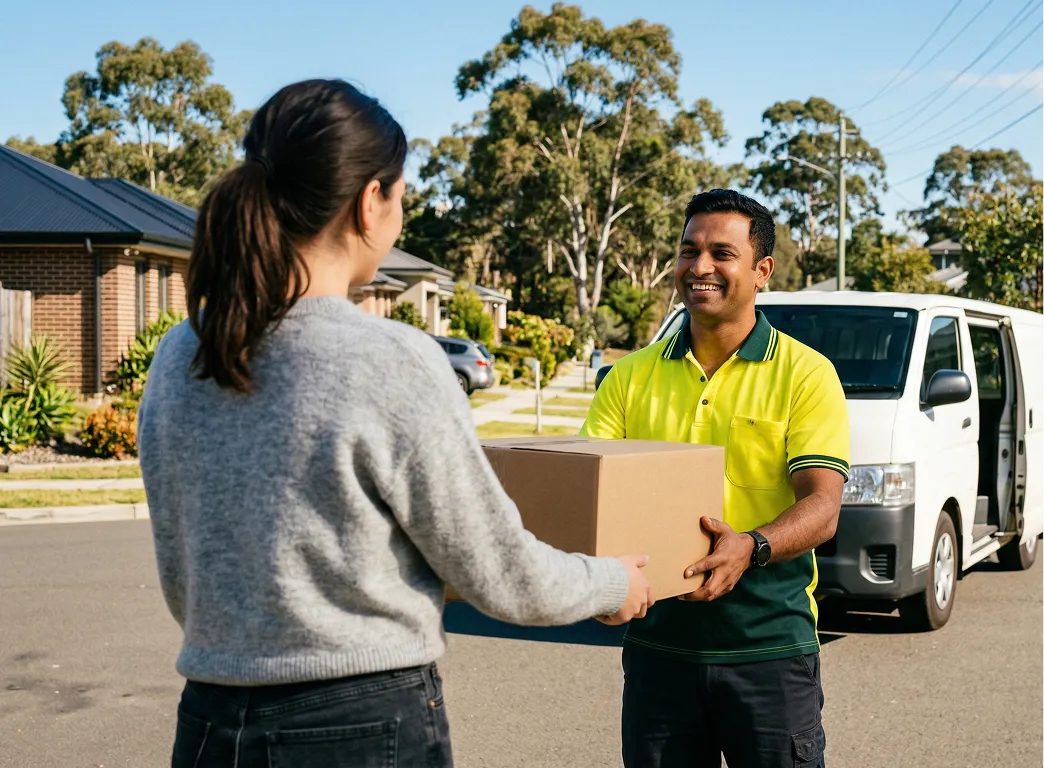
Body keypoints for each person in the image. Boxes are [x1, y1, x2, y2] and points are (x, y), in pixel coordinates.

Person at [137, 78, 653, 768]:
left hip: (208, 719)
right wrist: (612, 583)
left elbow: (182, 568)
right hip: (356, 724)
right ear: (368, 202)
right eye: (402, 196)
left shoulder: (180, 353)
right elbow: (497, 571)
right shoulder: (389, 358)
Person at [581, 189, 850, 768]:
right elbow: (592, 496)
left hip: (769, 649)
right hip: (659, 650)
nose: (699, 267)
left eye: (722, 254)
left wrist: (750, 548)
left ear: (761, 271)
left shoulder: (806, 374)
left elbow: (824, 507)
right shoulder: (627, 378)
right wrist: (595, 580)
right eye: (688, 250)